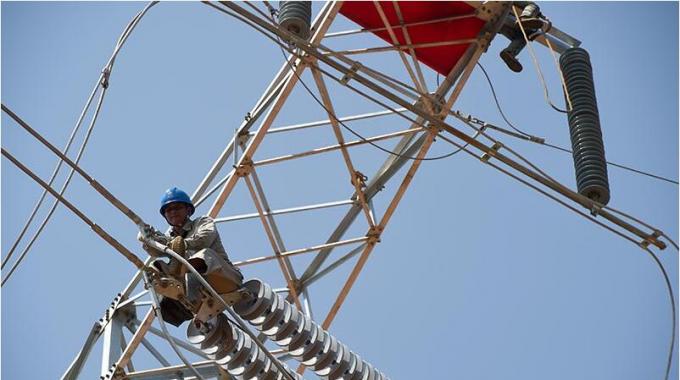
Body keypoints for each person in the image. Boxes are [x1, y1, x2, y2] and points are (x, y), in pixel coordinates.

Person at [140, 187, 243, 326]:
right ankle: (182, 298)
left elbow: (205, 237)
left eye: (177, 207)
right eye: (168, 210)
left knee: (203, 255)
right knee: (155, 269)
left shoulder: (202, 222)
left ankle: (182, 274)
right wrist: (148, 239)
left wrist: (183, 245)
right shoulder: (170, 239)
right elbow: (157, 251)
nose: (173, 212)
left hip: (224, 277)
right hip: (197, 290)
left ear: (188, 210)